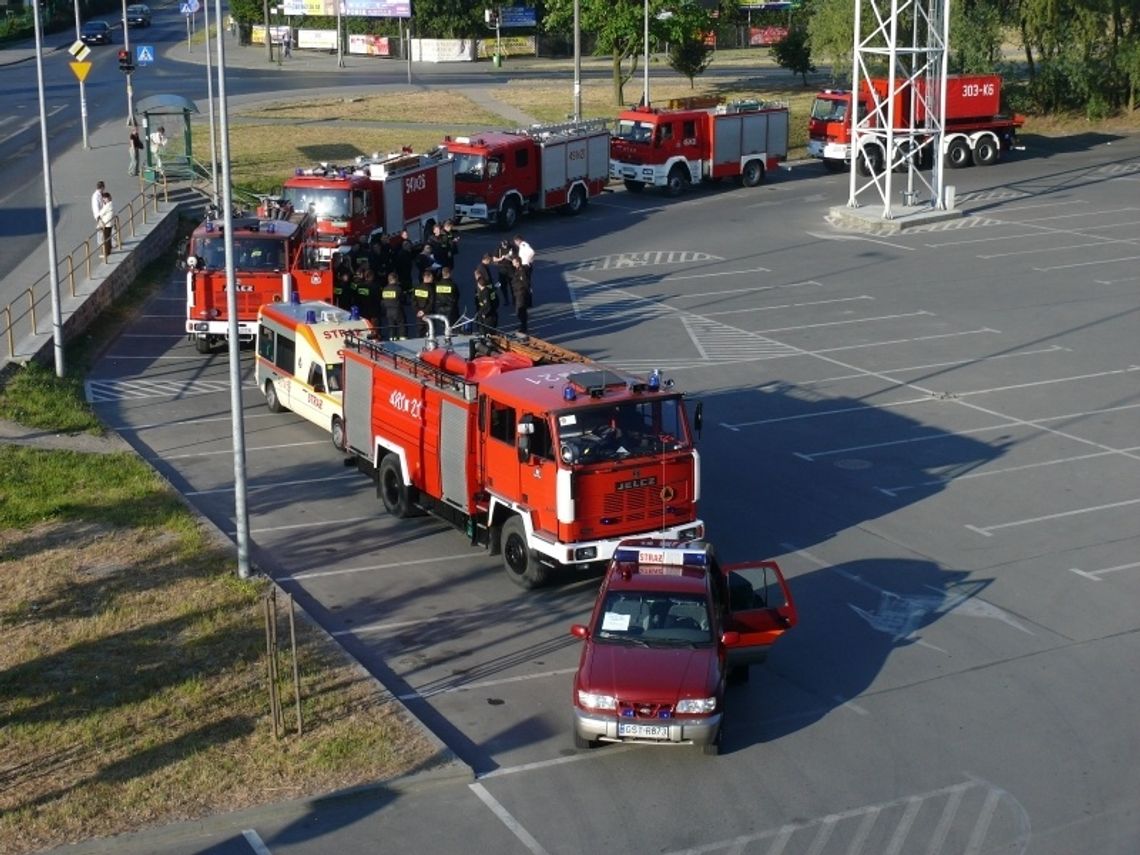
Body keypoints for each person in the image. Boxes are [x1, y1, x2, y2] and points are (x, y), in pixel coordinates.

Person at [379, 272, 406, 340]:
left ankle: (392, 339)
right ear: (395, 279)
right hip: (397, 310)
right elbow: (403, 299)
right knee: (401, 326)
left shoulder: (384, 289)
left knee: (391, 327)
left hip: (388, 311)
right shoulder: (398, 289)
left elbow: (383, 300)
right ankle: (403, 339)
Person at [510, 254, 531, 335]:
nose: (513, 264)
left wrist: (525, 292)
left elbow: (525, 282)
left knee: (521, 310)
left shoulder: (521, 271)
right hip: (517, 292)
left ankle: (524, 327)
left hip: (521, 293)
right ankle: (522, 325)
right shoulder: (518, 269)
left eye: (514, 262)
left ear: (518, 262)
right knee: (520, 310)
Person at [412, 269, 436, 337]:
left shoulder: (417, 288)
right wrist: (424, 311)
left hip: (419, 314)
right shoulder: (431, 289)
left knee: (420, 331)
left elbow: (413, 301)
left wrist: (418, 310)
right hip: (428, 313)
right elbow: (431, 302)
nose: (432, 279)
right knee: (430, 330)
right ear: (428, 277)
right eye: (432, 278)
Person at [492, 239, 514, 307]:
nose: (505, 246)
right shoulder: (499, 249)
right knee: (502, 285)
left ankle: (514, 299)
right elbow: (494, 259)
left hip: (511, 268)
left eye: (506, 245)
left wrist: (508, 258)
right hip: (502, 269)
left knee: (512, 285)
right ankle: (506, 299)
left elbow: (515, 259)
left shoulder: (512, 248)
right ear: (501, 244)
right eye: (504, 245)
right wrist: (501, 258)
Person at [97, 191, 114, 262]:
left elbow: (100, 213)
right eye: (104, 198)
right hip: (109, 223)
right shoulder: (111, 204)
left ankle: (106, 253)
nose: (104, 200)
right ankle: (109, 251)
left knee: (106, 238)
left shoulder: (108, 205)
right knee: (108, 238)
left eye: (105, 198)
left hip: (106, 224)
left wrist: (99, 219)